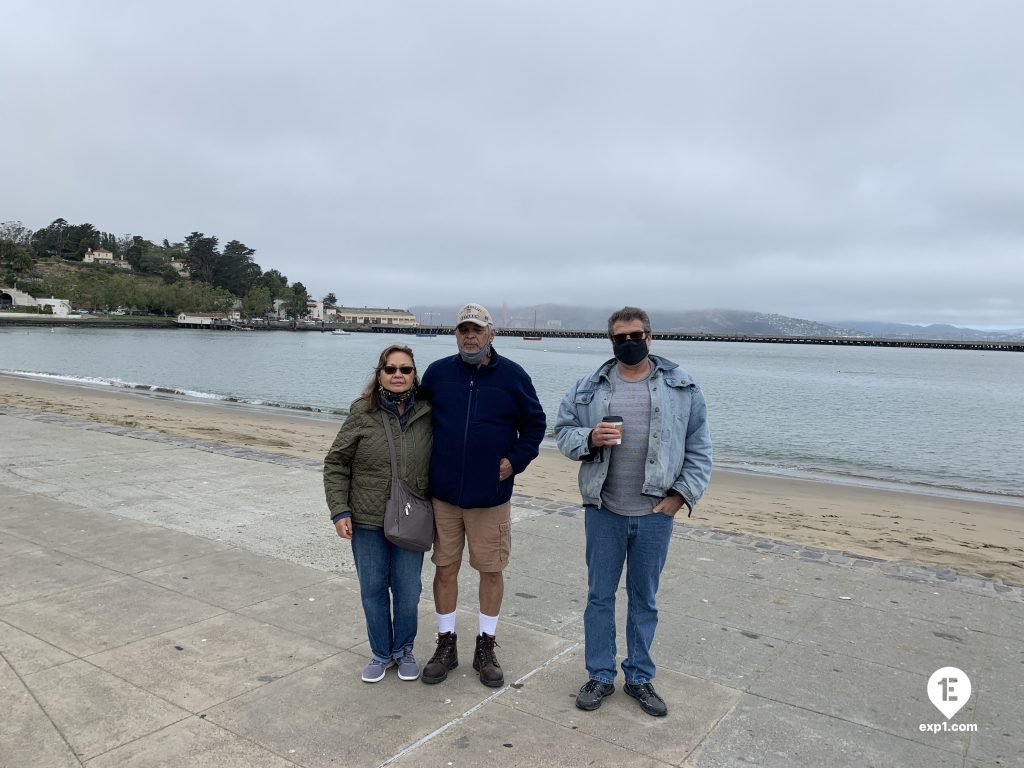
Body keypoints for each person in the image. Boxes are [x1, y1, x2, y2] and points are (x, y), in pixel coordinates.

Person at [555, 306, 712, 717]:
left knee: (645, 599)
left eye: (636, 335)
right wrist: (589, 437)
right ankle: (601, 675)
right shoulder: (589, 387)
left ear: (650, 337)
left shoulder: (683, 386)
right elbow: (563, 432)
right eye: (621, 337)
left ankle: (639, 678)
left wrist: (681, 497)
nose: (629, 343)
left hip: (654, 514)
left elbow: (699, 448)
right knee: (599, 597)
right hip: (603, 509)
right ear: (611, 341)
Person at [417, 302, 547, 688]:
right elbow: (417, 420)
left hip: (490, 496)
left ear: (491, 333)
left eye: (476, 330)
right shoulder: (438, 374)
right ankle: (446, 644)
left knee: (491, 570)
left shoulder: (513, 376)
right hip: (443, 495)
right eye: (463, 330)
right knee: (445, 568)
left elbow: (536, 425)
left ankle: (486, 645)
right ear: (455, 334)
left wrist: (514, 461)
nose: (469, 336)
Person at [324, 344, 433, 683]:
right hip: (367, 518)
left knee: (408, 591)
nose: (398, 375)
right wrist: (339, 509)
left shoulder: (429, 412)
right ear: (380, 374)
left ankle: (404, 650)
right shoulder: (362, 412)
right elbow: (336, 462)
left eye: (405, 369)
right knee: (372, 589)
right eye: (391, 369)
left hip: (412, 517)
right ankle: (381, 653)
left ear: (415, 375)